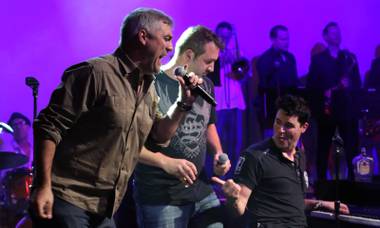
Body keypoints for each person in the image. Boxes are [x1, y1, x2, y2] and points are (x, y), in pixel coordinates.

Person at [30, 8, 203, 227]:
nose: (170, 47)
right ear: (143, 37)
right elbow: (49, 126)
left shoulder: (147, 87)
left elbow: (159, 136)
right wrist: (42, 185)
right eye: (166, 39)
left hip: (104, 208)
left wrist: (184, 102)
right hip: (67, 198)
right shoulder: (96, 73)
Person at [134, 25, 230, 228]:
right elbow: (130, 143)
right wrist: (166, 161)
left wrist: (218, 153)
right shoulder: (152, 83)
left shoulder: (206, 85)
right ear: (188, 55)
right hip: (161, 194)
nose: (212, 68)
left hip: (199, 188)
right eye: (208, 61)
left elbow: (209, 123)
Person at [213, 95, 349, 227]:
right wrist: (233, 199)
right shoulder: (255, 156)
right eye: (278, 122)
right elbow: (238, 207)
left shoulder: (300, 156)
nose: (280, 130)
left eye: (288, 125)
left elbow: (290, 202)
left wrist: (320, 204)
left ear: (304, 127)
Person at [306, 22, 361, 180]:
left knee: (351, 147)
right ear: (325, 36)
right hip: (327, 110)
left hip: (346, 110)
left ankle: (353, 181)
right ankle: (322, 183)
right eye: (333, 33)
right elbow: (311, 85)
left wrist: (349, 84)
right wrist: (325, 92)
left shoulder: (349, 58)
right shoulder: (318, 60)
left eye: (338, 33)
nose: (337, 36)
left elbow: (358, 83)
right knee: (323, 147)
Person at [209, 21, 246, 178]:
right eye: (221, 36)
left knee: (236, 140)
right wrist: (219, 59)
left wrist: (237, 64)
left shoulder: (237, 53)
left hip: (236, 102)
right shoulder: (210, 52)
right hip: (218, 103)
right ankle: (217, 174)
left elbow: (244, 77)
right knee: (219, 140)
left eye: (227, 36)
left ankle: (234, 174)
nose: (224, 39)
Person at [256, 25, 300, 137]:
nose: (286, 42)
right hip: (273, 107)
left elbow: (294, 81)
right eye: (282, 39)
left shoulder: (290, 57)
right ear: (273, 39)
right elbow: (264, 84)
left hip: (290, 106)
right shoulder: (265, 58)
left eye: (287, 38)